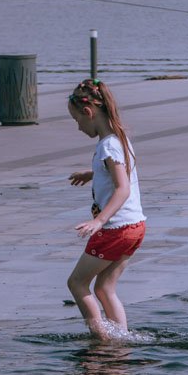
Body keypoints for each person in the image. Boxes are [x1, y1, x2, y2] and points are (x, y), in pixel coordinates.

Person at [66, 79, 146, 339]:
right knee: (105, 288)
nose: (78, 127)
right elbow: (119, 172)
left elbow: (122, 188)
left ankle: (100, 340)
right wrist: (93, 173)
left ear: (88, 112)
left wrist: (99, 220)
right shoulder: (119, 138)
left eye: (77, 121)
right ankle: (121, 339)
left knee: (77, 283)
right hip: (135, 227)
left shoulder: (108, 145)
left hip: (116, 229)